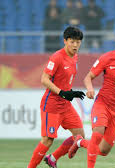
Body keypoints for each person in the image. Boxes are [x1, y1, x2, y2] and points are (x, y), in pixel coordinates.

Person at [67, 30, 115, 168]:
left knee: (103, 151)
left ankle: (80, 142)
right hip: (103, 104)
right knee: (97, 135)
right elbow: (88, 77)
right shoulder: (107, 58)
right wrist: (90, 88)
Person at [27, 26, 86, 168]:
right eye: (72, 42)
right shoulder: (57, 57)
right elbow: (44, 79)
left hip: (65, 105)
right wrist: (62, 93)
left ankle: (53, 158)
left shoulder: (75, 57)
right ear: (65, 41)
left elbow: (63, 79)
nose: (75, 45)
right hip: (52, 105)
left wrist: (70, 92)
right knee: (48, 140)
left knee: (79, 136)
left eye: (78, 42)